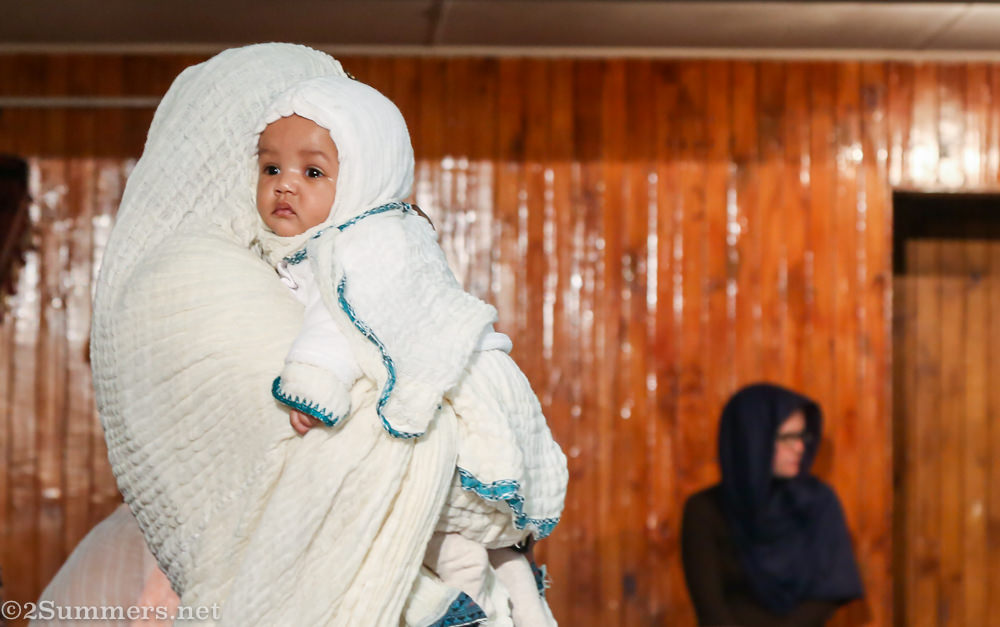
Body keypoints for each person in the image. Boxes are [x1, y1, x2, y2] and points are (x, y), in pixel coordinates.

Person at [249, 76, 567, 626]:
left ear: (365, 176)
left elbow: (338, 320)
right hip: (471, 377)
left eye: (313, 172)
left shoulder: (359, 241)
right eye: (271, 169)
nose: (285, 186)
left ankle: (478, 608)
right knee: (465, 538)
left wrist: (314, 383)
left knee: (431, 531)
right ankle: (521, 600)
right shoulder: (375, 232)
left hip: (455, 388)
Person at [681, 383, 864, 627]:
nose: (799, 447)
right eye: (787, 438)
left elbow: (829, 592)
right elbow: (710, 609)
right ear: (754, 440)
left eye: (802, 436)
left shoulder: (816, 501)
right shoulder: (705, 510)